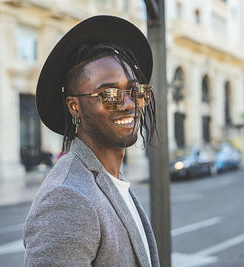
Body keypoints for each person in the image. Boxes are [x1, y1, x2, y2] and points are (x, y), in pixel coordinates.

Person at [23, 15, 159, 267]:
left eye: (135, 91)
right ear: (74, 106)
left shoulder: (111, 180)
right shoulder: (68, 198)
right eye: (110, 94)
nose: (129, 104)